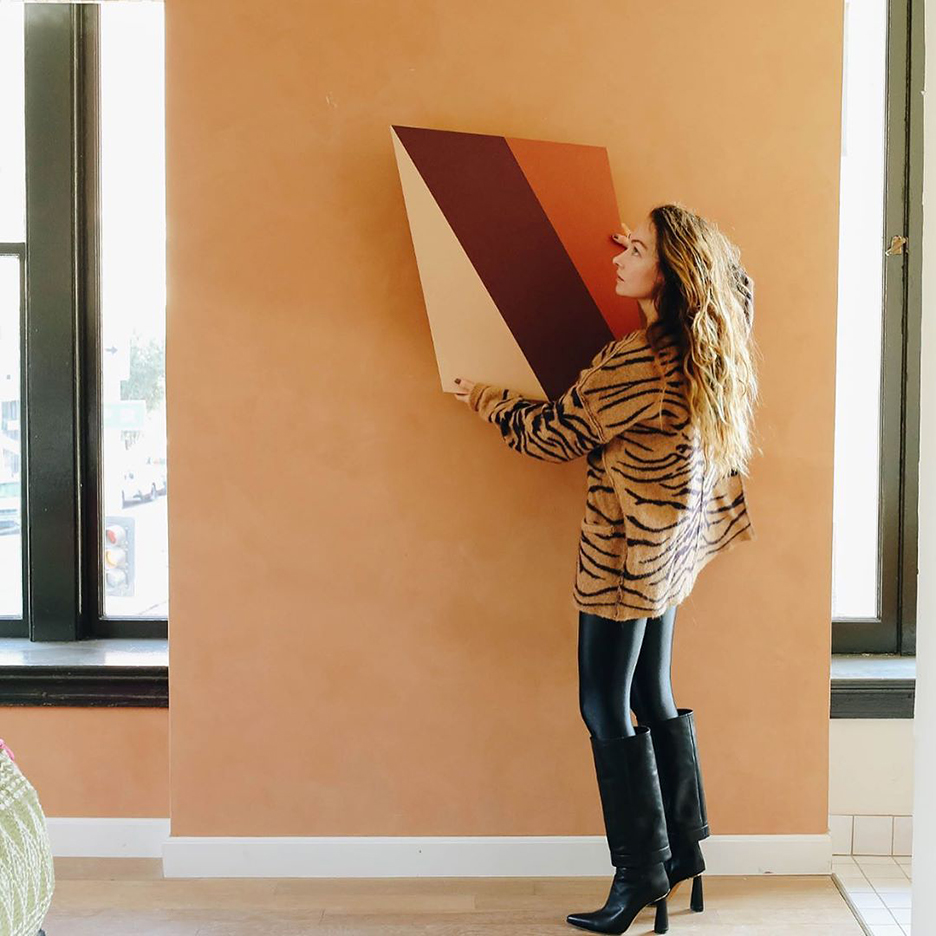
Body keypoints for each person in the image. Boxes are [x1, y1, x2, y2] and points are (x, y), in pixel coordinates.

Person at [453, 203, 760, 934]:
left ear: (671, 272)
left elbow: (555, 434)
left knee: (601, 706)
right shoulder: (713, 340)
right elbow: (739, 283)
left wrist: (487, 400)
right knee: (651, 690)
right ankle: (684, 853)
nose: (618, 257)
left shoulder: (637, 362)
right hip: (673, 551)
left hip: (623, 559)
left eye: (638, 250)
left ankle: (640, 873)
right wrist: (668, 243)